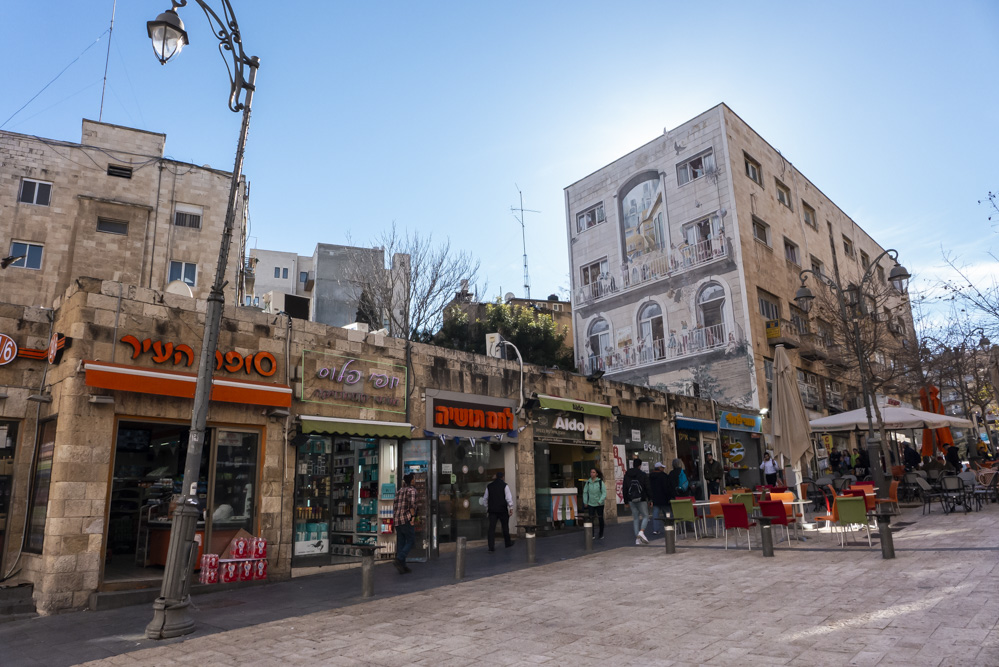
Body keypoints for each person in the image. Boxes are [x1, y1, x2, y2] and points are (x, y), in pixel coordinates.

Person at [481, 471, 514, 551]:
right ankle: (507, 543)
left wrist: (487, 507)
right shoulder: (505, 485)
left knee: (491, 528)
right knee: (505, 527)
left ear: (496, 477)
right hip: (502, 509)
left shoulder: (489, 486)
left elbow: (485, 499)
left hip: (492, 510)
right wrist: (511, 507)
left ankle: (491, 546)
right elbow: (508, 498)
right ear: (502, 477)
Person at [392, 472, 418, 574]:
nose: (415, 480)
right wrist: (412, 518)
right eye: (414, 479)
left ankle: (402, 566)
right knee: (411, 540)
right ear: (411, 480)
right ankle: (399, 558)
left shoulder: (399, 491)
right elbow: (412, 505)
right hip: (406, 519)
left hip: (397, 520)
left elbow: (395, 506)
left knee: (401, 543)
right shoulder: (412, 491)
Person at [622, 457, 651, 545]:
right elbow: (647, 487)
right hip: (641, 498)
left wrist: (626, 501)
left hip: (631, 499)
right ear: (640, 465)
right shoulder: (643, 474)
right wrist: (650, 498)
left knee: (635, 518)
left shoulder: (627, 475)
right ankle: (641, 532)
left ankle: (637, 539)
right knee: (645, 516)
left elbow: (624, 488)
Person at [582, 468, 606, 539]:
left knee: (600, 518)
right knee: (591, 519)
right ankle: (591, 534)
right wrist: (585, 502)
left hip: (599, 504)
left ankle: (601, 534)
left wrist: (600, 501)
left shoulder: (600, 482)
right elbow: (585, 492)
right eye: (591, 472)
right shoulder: (588, 482)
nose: (592, 474)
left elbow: (604, 493)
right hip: (591, 503)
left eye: (593, 472)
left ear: (596, 474)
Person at [649, 462, 670, 535]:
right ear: (659, 468)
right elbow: (666, 488)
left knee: (655, 514)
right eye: (662, 467)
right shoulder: (664, 476)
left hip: (655, 498)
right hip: (664, 498)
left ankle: (656, 529)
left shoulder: (651, 476)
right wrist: (668, 497)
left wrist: (650, 498)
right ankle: (669, 527)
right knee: (667, 513)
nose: (663, 469)